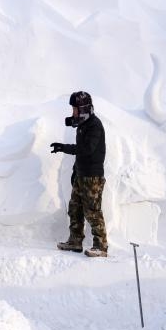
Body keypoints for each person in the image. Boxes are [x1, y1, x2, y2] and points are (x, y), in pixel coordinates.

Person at [51, 91, 108, 257]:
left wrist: (64, 147)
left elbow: (86, 150)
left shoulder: (95, 126)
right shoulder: (83, 126)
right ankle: (75, 241)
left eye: (75, 109)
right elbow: (81, 154)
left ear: (83, 109)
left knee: (92, 211)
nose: (73, 113)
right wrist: (75, 172)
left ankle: (101, 246)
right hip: (82, 175)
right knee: (75, 208)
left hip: (92, 177)